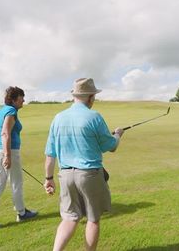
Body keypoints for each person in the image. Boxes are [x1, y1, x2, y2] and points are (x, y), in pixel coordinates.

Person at [43, 78, 124, 251]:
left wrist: (48, 178)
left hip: (65, 175)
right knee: (93, 219)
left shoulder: (58, 118)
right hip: (89, 175)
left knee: (69, 218)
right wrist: (117, 135)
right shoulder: (94, 116)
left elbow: (50, 154)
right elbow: (111, 146)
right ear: (90, 97)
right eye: (93, 95)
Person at [0, 86, 38, 233]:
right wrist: (8, 155)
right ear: (14, 99)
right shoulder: (11, 111)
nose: (23, 100)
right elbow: (5, 133)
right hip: (7, 151)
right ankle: (22, 213)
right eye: (21, 97)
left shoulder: (2, 110)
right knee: (16, 183)